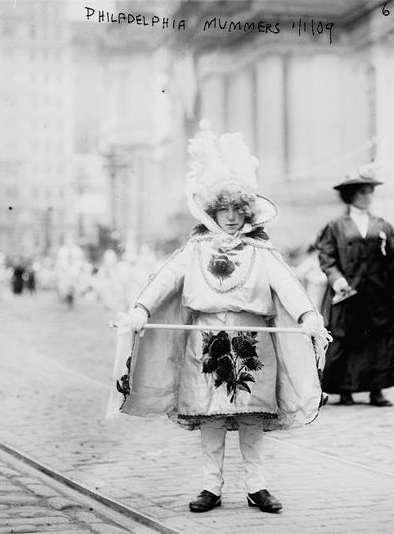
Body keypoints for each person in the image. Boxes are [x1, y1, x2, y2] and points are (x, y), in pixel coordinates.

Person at [110, 129, 328, 514]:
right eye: (224, 210)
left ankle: (257, 487)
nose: (230, 217)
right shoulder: (195, 248)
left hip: (253, 340)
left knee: (251, 417)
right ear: (213, 212)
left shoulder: (261, 251)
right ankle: (210, 487)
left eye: (238, 210)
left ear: (247, 211)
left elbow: (289, 287)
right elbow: (163, 280)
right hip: (205, 339)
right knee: (209, 416)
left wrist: (309, 317)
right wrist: (140, 312)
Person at [315, 164, 394, 407]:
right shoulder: (335, 226)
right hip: (347, 291)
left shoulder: (382, 225)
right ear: (351, 195)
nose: (368, 196)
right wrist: (336, 278)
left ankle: (377, 389)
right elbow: (327, 257)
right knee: (346, 338)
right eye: (363, 192)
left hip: (377, 293)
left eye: (370, 191)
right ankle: (345, 390)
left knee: (377, 340)